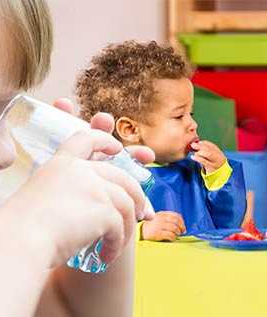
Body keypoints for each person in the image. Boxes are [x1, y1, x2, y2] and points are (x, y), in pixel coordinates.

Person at [0, 1, 154, 316]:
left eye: (8, 112)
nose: (7, 152)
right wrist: (23, 234)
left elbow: (67, 310)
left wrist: (102, 218)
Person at [76, 41, 246, 241]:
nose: (193, 124)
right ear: (130, 129)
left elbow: (228, 223)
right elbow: (91, 236)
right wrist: (141, 232)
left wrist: (219, 175)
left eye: (190, 113)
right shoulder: (110, 177)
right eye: (179, 116)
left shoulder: (194, 171)